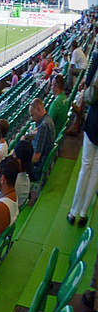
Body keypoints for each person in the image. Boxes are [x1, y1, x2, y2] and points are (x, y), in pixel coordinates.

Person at [70, 73, 98, 228]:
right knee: (95, 171)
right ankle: (83, 214)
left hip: (94, 122)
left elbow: (90, 87)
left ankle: (74, 212)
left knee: (86, 167)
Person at [24, 98, 56, 181]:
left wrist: (22, 164)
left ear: (38, 110)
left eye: (32, 115)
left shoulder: (43, 126)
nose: (32, 118)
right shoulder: (48, 119)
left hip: (37, 169)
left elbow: (36, 158)